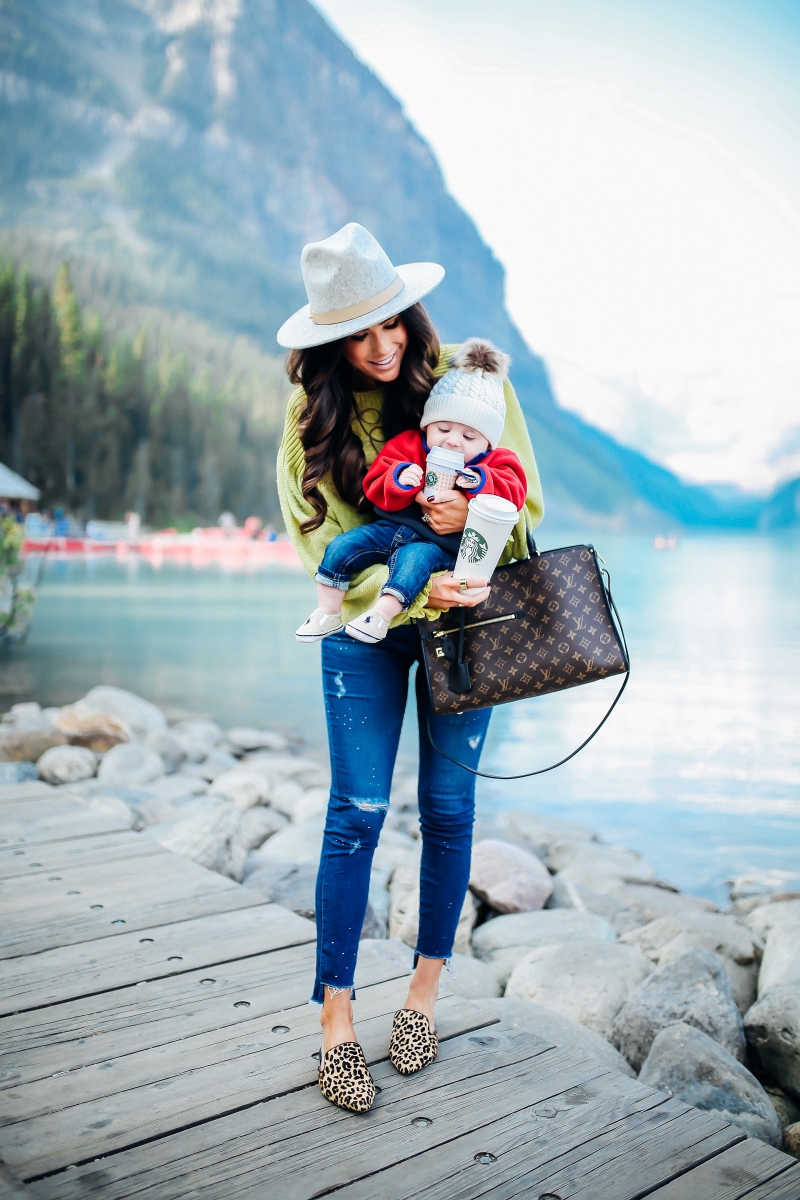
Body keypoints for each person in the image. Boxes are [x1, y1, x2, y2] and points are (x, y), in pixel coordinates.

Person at [276, 222, 543, 1113]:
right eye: (357, 330)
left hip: (467, 623)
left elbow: (526, 501)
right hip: (365, 629)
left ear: (411, 314)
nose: (382, 344)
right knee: (354, 810)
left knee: (448, 806)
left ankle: (424, 997)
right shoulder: (308, 419)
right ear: (327, 341)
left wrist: (474, 570)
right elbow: (317, 537)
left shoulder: (474, 386)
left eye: (391, 322)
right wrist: (403, 592)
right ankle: (337, 1022)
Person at [295, 338, 527, 645]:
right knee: (344, 546)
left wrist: (481, 481)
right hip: (389, 528)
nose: (452, 441)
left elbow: (515, 494)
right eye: (442, 429)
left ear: (488, 443)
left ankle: (380, 615)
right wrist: (401, 476)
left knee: (413, 562)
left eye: (469, 435)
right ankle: (327, 610)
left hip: (440, 545)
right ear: (427, 424)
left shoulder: (497, 462)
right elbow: (375, 482)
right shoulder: (408, 446)